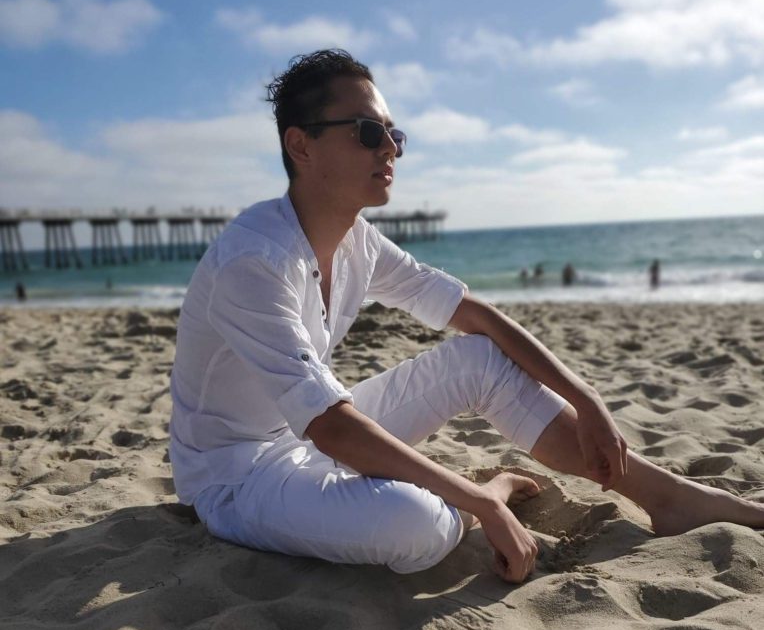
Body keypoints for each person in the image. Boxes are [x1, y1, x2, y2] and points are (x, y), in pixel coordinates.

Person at [169, 50, 764, 583]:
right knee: (419, 527)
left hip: (307, 435)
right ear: (301, 145)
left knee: (481, 359)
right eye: (369, 131)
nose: (390, 148)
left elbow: (472, 313)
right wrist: (484, 502)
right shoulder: (254, 260)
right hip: (237, 475)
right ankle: (480, 492)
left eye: (394, 133)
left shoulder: (357, 241)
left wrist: (586, 397)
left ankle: (667, 496)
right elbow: (332, 427)